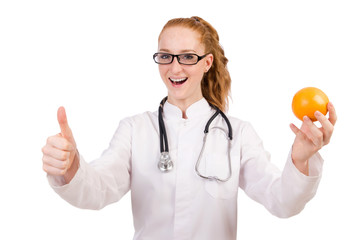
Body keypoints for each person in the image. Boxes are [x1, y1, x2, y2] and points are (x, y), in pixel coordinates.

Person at [42, 16, 337, 240]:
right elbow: (98, 189)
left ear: (207, 62)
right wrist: (71, 166)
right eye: (165, 56)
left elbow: (282, 201)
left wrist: (300, 160)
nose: (174, 68)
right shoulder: (135, 129)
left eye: (187, 56)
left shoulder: (238, 134)